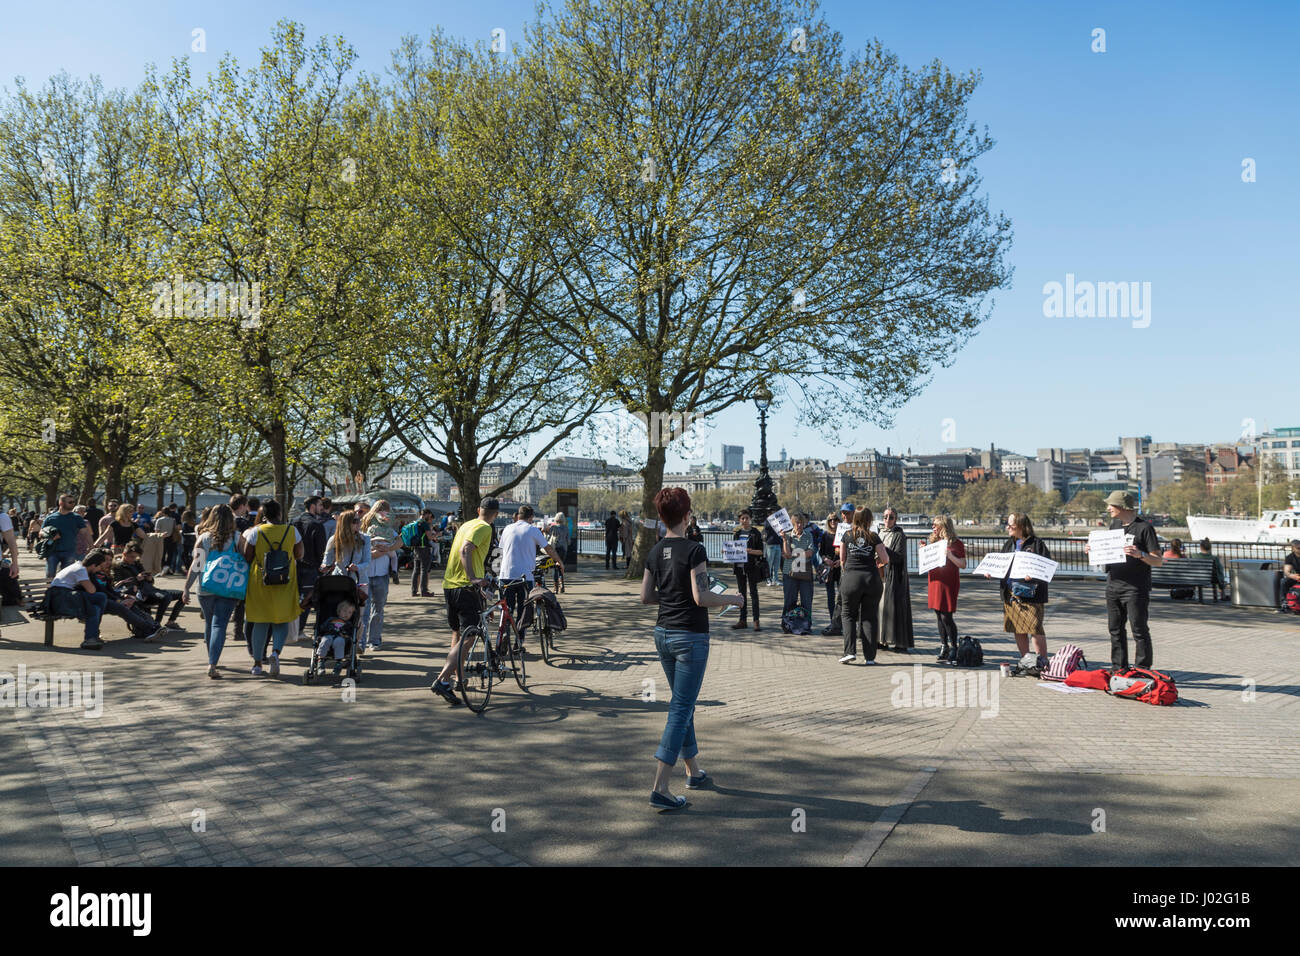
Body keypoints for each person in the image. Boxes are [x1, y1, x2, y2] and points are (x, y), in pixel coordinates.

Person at [641, 487, 743, 811]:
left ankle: (693, 771)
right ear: (687, 516)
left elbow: (646, 596)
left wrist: (671, 596)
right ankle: (660, 786)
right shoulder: (695, 550)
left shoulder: (655, 551)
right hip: (690, 637)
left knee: (682, 705)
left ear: (662, 517)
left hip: (662, 634)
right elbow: (702, 598)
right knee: (681, 709)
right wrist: (733, 598)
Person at [430, 499, 500, 706]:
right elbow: (466, 550)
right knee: (471, 636)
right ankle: (442, 679)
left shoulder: (467, 524)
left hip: (450, 585)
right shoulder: (484, 528)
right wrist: (473, 579)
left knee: (459, 634)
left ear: (479, 510)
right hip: (465, 587)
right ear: (495, 514)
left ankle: (459, 679)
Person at [1087, 491, 1161, 670]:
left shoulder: (1144, 528)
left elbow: (1158, 560)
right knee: (1115, 630)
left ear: (1121, 506)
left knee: (1139, 630)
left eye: (1111, 505)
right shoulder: (1114, 525)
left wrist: (1140, 554)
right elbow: (1109, 549)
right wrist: (1093, 549)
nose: (1108, 508)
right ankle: (1119, 668)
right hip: (1113, 585)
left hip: (1135, 588)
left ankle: (1142, 669)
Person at [237, 499, 304, 677]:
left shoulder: (256, 532)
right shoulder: (292, 531)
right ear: (280, 513)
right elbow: (299, 554)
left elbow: (247, 555)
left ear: (264, 514)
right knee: (281, 620)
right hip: (285, 581)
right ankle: (276, 652)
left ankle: (257, 664)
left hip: (260, 581)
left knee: (260, 621)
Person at [183, 504, 241, 679]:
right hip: (229, 587)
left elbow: (196, 565)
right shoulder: (238, 538)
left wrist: (186, 588)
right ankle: (213, 663)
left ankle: (211, 659)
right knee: (220, 625)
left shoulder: (204, 537)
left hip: (206, 587)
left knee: (209, 623)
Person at [990, 513, 1052, 661]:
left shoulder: (1036, 544)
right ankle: (1026, 661)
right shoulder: (1009, 544)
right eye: (1007, 524)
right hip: (1011, 594)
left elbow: (1046, 567)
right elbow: (1002, 564)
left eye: (1011, 525)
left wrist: (1034, 575)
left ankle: (1041, 662)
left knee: (1035, 628)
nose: (1008, 527)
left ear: (1021, 526)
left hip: (1031, 594)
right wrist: (992, 571)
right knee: (1018, 629)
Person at [837, 507, 887, 664]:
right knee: (869, 617)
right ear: (869, 519)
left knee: (848, 615)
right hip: (871, 579)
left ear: (855, 518)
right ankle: (870, 657)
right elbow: (885, 559)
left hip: (851, 579)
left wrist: (848, 570)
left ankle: (850, 652)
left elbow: (842, 559)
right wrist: (876, 561)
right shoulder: (874, 536)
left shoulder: (847, 535)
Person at [498, 505, 560, 627]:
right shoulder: (533, 530)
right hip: (525, 577)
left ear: (518, 515)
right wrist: (559, 562)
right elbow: (548, 549)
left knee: (506, 611)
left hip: (505, 575)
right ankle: (519, 641)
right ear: (531, 517)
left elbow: (499, 551)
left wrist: (496, 571)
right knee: (524, 611)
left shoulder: (507, 529)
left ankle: (504, 637)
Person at [47, 549, 113, 650]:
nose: (100, 569)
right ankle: (91, 636)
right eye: (99, 566)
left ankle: (90, 638)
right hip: (60, 598)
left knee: (95, 608)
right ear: (93, 565)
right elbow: (91, 590)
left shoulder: (78, 565)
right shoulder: (81, 570)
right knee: (101, 597)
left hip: (61, 596)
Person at [111, 542, 185, 631]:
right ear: (124, 554)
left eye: (136, 557)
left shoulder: (136, 563)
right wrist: (136, 579)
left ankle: (170, 622)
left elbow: (149, 582)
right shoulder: (117, 566)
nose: (134, 559)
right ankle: (157, 624)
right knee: (166, 597)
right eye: (132, 557)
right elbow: (118, 585)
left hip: (149, 590)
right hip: (139, 594)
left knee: (183, 595)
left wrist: (149, 579)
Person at [358, 500, 398, 654]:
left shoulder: (388, 530)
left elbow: (398, 542)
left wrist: (389, 548)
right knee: (366, 610)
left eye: (386, 512)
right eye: (382, 512)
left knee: (377, 609)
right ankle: (362, 641)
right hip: (366, 574)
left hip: (380, 574)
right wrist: (376, 552)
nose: (384, 515)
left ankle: (373, 639)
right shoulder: (365, 529)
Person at [926, 516, 968, 662]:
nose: (933, 528)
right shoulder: (934, 542)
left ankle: (954, 647)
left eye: (935, 525)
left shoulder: (956, 544)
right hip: (935, 582)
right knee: (938, 614)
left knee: (946, 616)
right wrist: (923, 552)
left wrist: (950, 555)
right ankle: (944, 645)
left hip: (948, 583)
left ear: (944, 527)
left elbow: (963, 564)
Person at [877, 508, 914, 652]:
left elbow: (899, 557)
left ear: (895, 519)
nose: (887, 520)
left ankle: (900, 643)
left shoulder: (899, 535)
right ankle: (881, 640)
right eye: (885, 516)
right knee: (880, 608)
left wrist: (883, 550)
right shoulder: (879, 533)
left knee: (896, 609)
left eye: (891, 517)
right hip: (880, 575)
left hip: (895, 577)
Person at [294, 496, 328, 640]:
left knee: (294, 598)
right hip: (311, 567)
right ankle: (299, 630)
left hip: (294, 566)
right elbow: (321, 549)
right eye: (320, 505)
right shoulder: (316, 525)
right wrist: (323, 566)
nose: (322, 508)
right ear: (313, 506)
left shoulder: (294, 521)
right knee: (306, 600)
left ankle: (292, 628)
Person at [728, 509, 764, 631]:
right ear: (739, 520)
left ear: (750, 519)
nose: (744, 520)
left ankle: (756, 621)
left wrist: (750, 551)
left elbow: (761, 551)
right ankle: (742, 620)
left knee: (754, 593)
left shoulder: (755, 533)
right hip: (739, 567)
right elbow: (733, 549)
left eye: (747, 518)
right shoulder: (737, 533)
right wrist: (727, 552)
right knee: (741, 595)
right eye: (742, 518)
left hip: (752, 567)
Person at [42, 494, 90, 577]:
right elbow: (41, 532)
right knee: (50, 575)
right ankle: (50, 589)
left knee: (66, 576)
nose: (73, 504)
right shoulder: (50, 518)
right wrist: (49, 535)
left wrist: (92, 546)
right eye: (70, 502)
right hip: (52, 551)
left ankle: (64, 590)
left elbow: (85, 533)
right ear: (61, 503)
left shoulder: (77, 518)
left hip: (69, 551)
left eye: (74, 502)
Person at [780, 512, 815, 623]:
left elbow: (810, 552)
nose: (799, 525)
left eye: (801, 523)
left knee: (806, 601)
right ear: (793, 524)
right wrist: (784, 540)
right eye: (797, 523)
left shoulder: (808, 535)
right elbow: (786, 554)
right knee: (789, 600)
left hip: (805, 572)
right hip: (789, 572)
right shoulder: (788, 536)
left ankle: (806, 624)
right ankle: (787, 623)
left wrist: (795, 554)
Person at [316, 599, 357, 675]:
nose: (346, 614)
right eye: (344, 611)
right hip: (328, 635)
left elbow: (350, 634)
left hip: (341, 637)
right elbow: (322, 627)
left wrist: (346, 635)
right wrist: (320, 633)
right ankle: (320, 661)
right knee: (325, 640)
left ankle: (338, 663)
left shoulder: (348, 624)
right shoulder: (331, 619)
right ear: (339, 611)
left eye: (350, 612)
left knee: (339, 641)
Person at [819, 513, 841, 627]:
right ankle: (832, 620)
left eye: (835, 519)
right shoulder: (825, 535)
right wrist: (825, 559)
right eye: (830, 520)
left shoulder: (843, 534)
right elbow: (821, 551)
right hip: (828, 568)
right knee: (830, 595)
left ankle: (841, 621)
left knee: (842, 596)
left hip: (840, 567)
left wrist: (841, 560)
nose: (833, 522)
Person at [409, 508, 437, 597]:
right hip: (424, 548)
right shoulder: (424, 523)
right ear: (427, 514)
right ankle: (424, 591)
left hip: (416, 548)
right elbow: (429, 537)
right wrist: (437, 535)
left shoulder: (416, 522)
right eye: (430, 515)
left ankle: (414, 591)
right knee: (424, 569)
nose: (430, 517)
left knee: (416, 570)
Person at [546, 511, 569, 593]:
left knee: (555, 568)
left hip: (555, 550)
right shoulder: (566, 528)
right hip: (563, 550)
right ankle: (562, 585)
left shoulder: (553, 528)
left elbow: (548, 539)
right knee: (561, 567)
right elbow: (568, 540)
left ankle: (556, 588)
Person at [1281, 539, 1300, 612]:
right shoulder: (1289, 557)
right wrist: (1293, 576)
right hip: (1297, 576)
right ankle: (1285, 603)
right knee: (1283, 581)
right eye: (1298, 548)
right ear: (1293, 548)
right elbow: (1287, 572)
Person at [762, 520, 782, 586]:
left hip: (778, 544)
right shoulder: (767, 521)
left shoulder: (779, 520)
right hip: (770, 544)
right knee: (769, 563)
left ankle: (775, 579)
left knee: (777, 564)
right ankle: (768, 579)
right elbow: (766, 526)